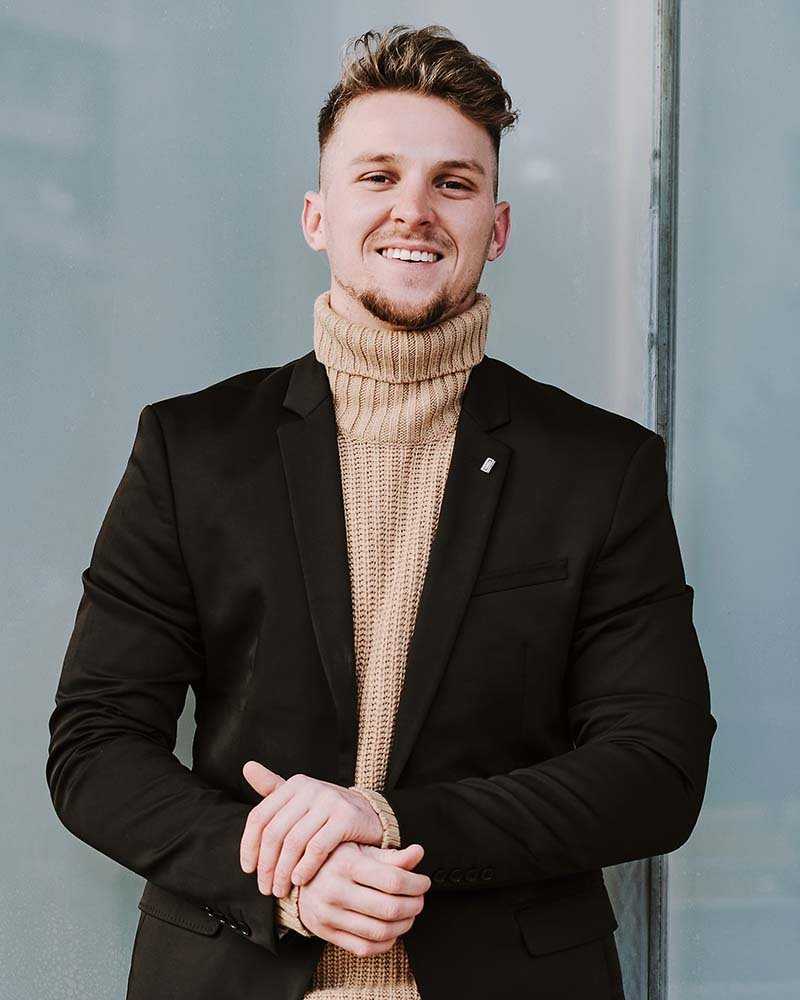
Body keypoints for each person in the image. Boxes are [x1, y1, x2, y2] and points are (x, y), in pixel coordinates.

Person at [46, 23, 717, 1000]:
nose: (414, 209)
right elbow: (94, 746)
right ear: (316, 215)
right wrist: (277, 876)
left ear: (495, 225)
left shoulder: (600, 468)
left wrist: (386, 818)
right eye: (377, 176)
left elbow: (653, 768)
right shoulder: (190, 450)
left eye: (452, 181)